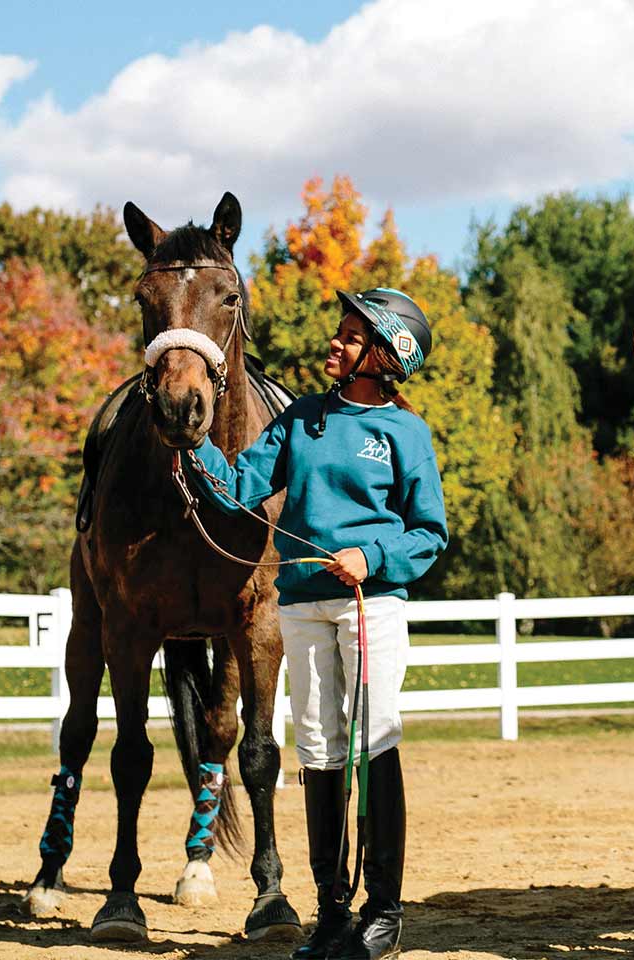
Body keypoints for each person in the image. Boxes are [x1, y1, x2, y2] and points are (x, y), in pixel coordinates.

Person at [187, 287, 447, 960]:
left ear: (386, 355)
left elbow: (429, 534)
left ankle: (383, 913)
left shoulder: (406, 434)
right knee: (316, 748)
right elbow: (238, 487)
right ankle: (332, 912)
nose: (335, 342)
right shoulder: (301, 419)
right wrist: (192, 442)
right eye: (340, 332)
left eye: (351, 336)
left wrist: (373, 556)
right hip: (301, 605)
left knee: (374, 739)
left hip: (371, 604)